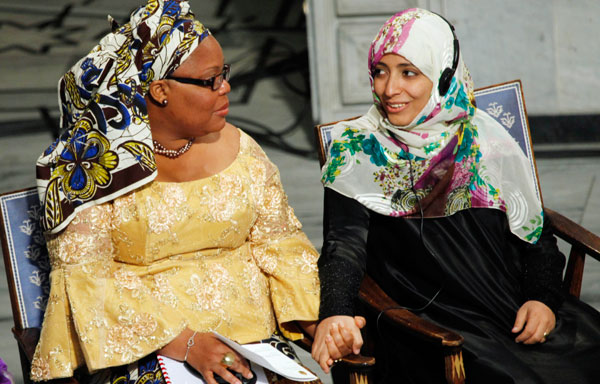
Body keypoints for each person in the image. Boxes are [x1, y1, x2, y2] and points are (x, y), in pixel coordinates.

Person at [32, 1, 320, 384]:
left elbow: (282, 244)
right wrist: (185, 344)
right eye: (210, 80)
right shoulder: (89, 167)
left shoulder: (242, 148)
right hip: (143, 351)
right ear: (161, 89)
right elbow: (87, 281)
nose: (226, 87)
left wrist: (316, 319)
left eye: (225, 74)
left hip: (254, 345)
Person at [311, 8, 600, 383]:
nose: (389, 89)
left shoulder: (485, 138)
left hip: (509, 308)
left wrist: (542, 299)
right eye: (380, 71)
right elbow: (343, 246)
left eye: (409, 72)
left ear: (445, 77)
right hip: (429, 325)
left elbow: (535, 234)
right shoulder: (357, 150)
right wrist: (336, 311)